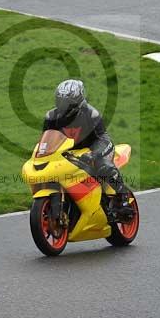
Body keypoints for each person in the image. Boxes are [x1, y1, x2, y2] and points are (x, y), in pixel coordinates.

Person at [43, 79, 133, 218]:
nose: (62, 105)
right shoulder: (51, 117)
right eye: (59, 101)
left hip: (95, 145)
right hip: (70, 150)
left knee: (102, 165)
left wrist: (94, 154)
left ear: (77, 101)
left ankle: (123, 199)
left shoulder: (91, 114)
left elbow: (102, 137)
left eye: (66, 102)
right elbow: (48, 139)